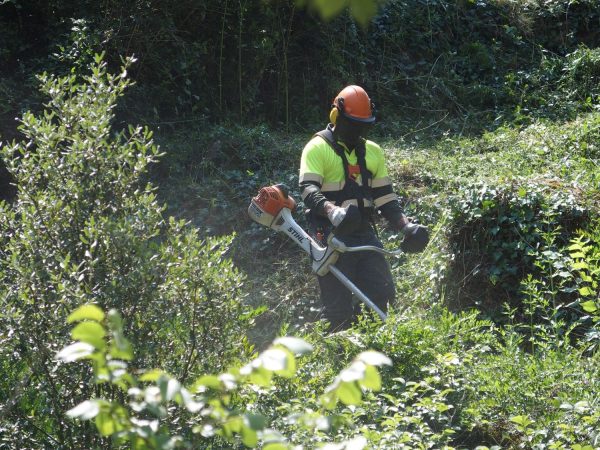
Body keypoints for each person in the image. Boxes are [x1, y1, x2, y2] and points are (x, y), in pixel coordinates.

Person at [299, 85, 429, 331]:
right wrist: (331, 211)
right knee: (338, 309)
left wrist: (406, 226)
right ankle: (339, 358)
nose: (358, 131)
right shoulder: (317, 148)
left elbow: (385, 198)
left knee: (383, 295)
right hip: (330, 235)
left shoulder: (373, 152)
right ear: (336, 117)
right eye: (353, 124)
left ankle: (374, 352)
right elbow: (308, 190)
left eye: (364, 125)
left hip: (364, 232)